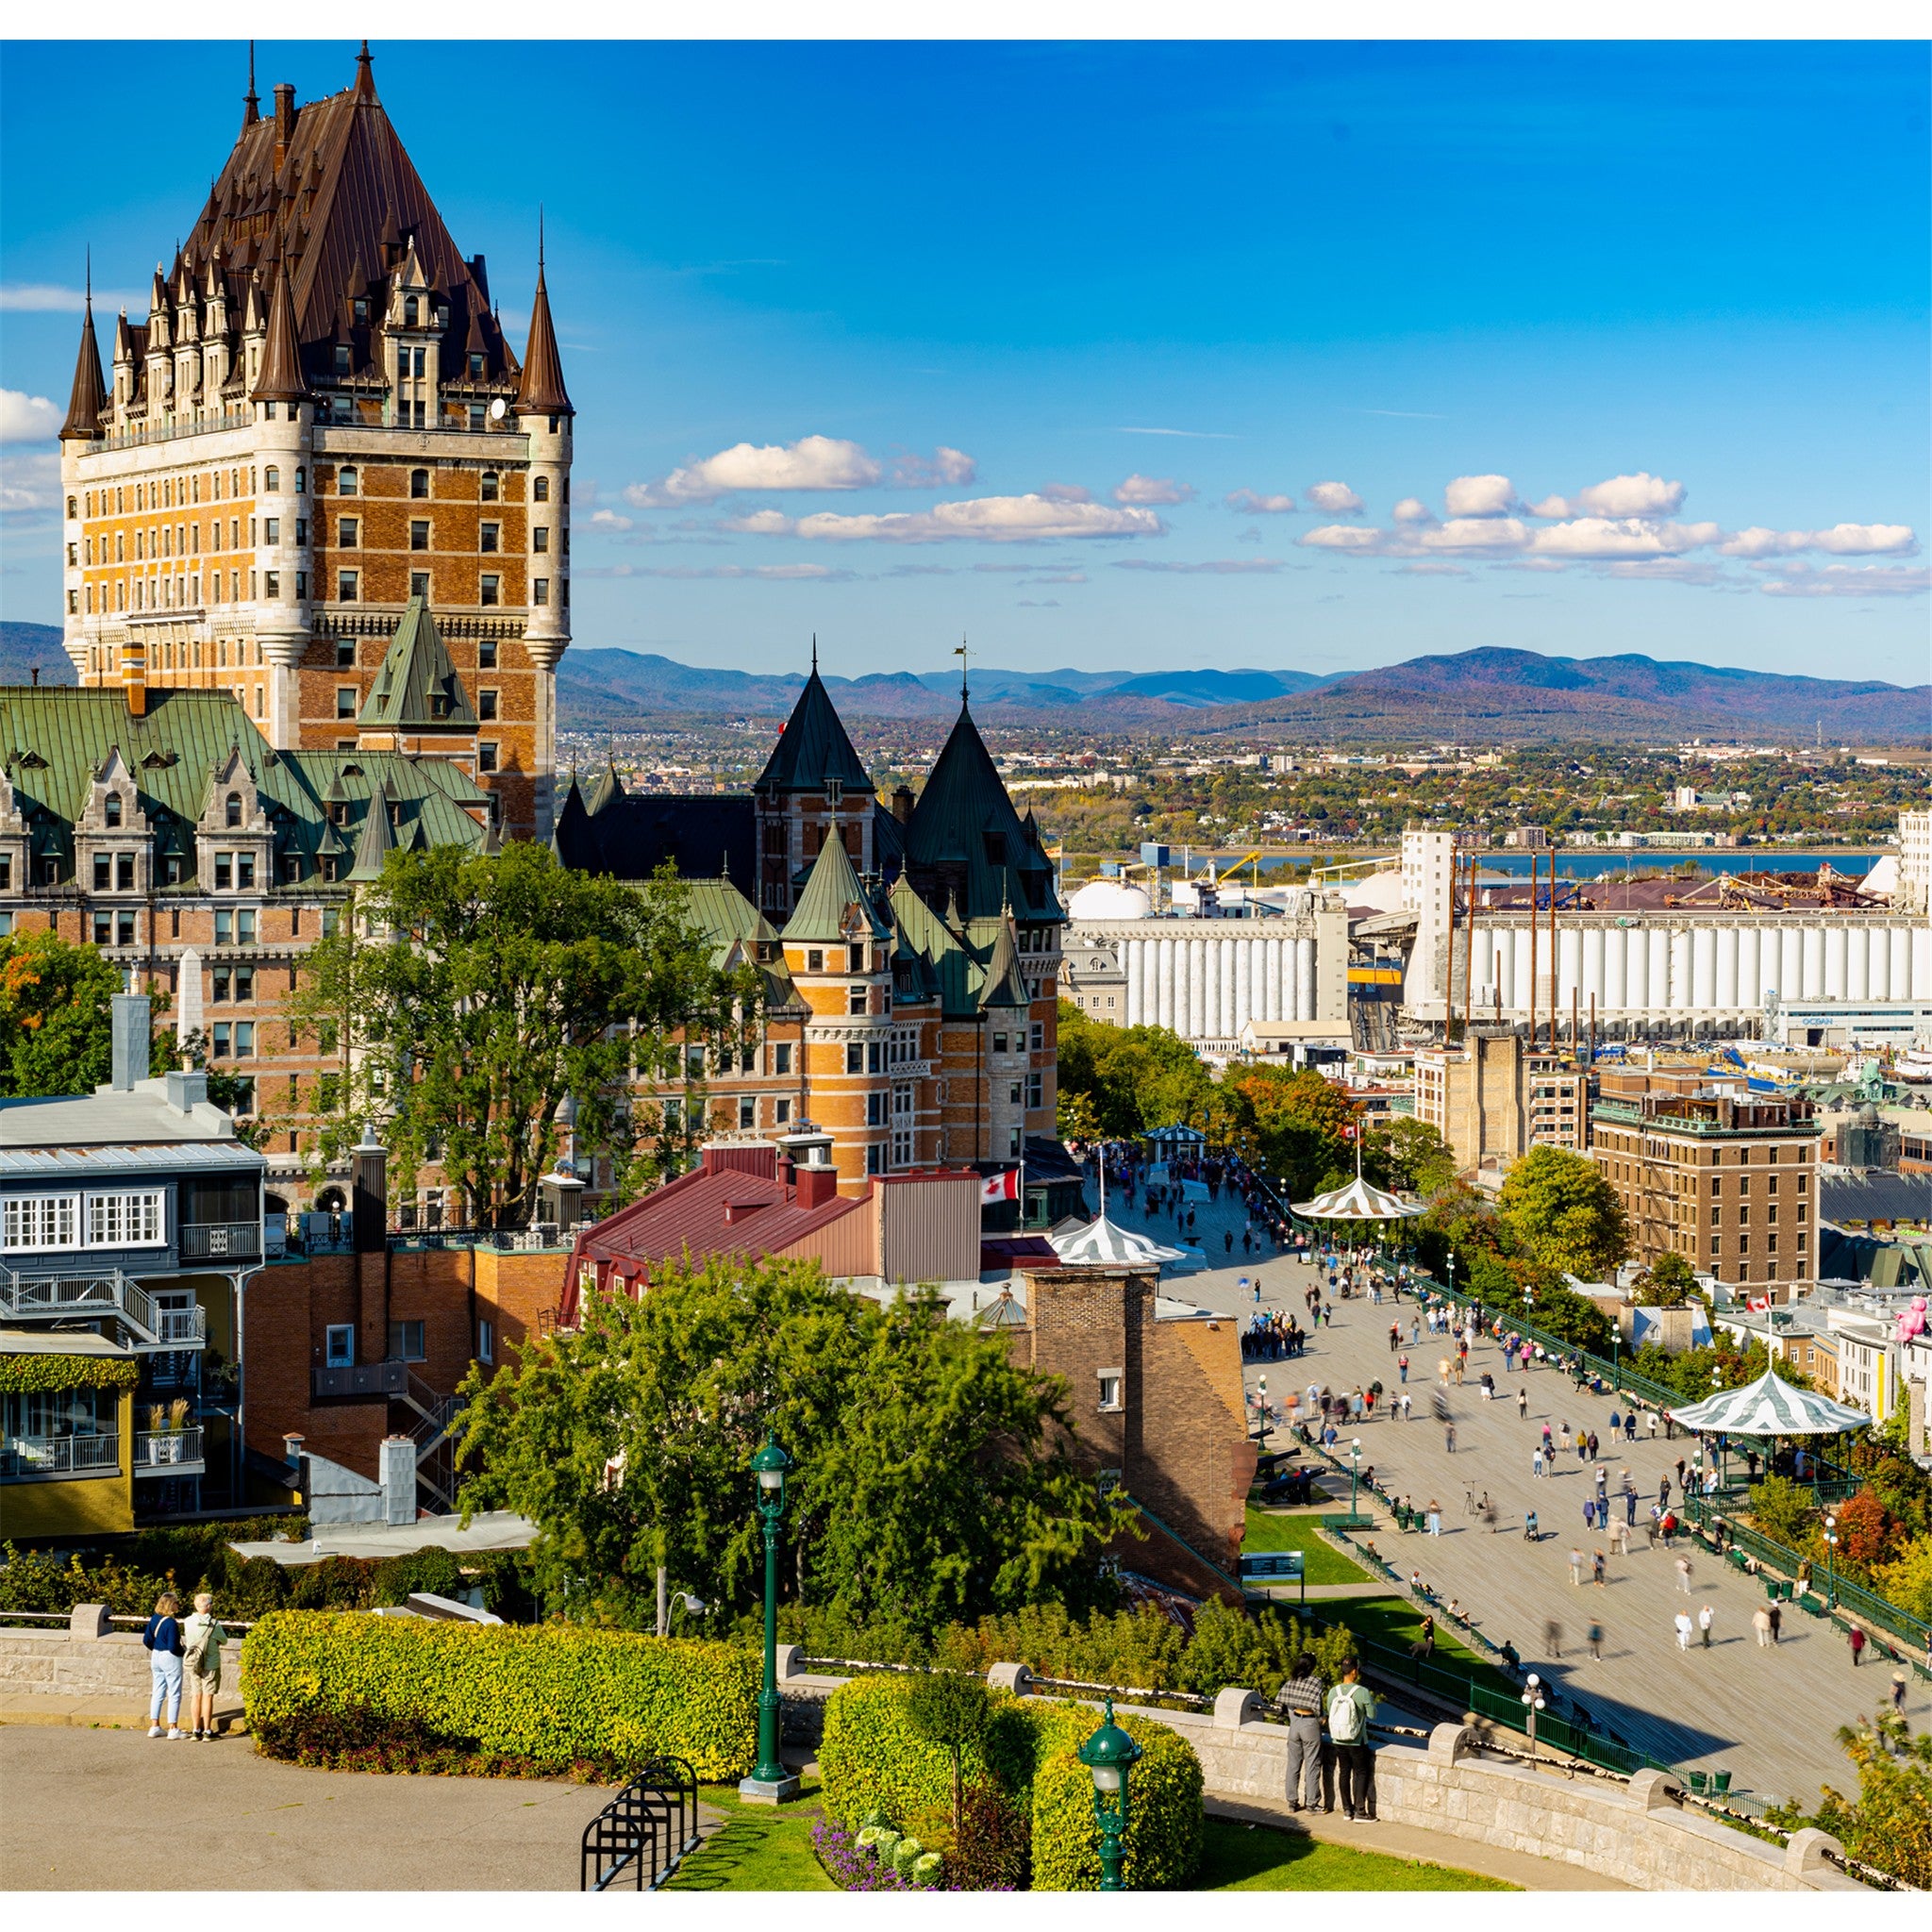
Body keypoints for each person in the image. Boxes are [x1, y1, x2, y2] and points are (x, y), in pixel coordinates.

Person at [1274, 1653, 1330, 1813]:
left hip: (1294, 1725)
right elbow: (1317, 1705)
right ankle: (1311, 1804)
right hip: (1309, 1724)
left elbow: (1285, 1701)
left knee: (1293, 1765)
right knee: (1312, 1765)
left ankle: (1292, 1802)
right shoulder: (1315, 1681)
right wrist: (1322, 1719)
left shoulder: (1292, 1680)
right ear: (1312, 1667)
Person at [1327, 1658, 1378, 1822]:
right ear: (1354, 1671)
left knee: (1344, 1772)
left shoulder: (1333, 1692)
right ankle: (1360, 1811)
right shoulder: (1362, 1692)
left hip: (1338, 1739)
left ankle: (1347, 1810)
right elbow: (1372, 1715)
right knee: (1361, 1772)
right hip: (1357, 1740)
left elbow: (1330, 1712)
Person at [179, 1591, 227, 1741]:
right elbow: (224, 1640)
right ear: (208, 1606)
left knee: (196, 1696)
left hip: (194, 1662)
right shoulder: (214, 1624)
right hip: (210, 1663)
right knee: (208, 1697)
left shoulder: (188, 1621)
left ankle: (196, 1729)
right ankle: (207, 1730)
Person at [142, 1591, 187, 1740]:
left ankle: (155, 1725)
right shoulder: (170, 1622)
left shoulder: (154, 1619)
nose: (178, 1605)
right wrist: (183, 1652)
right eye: (176, 1602)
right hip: (170, 1656)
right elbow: (174, 1646)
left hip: (156, 1655)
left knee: (158, 1691)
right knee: (174, 1692)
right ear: (170, 1605)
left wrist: (156, 1648)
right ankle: (173, 1728)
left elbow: (147, 1640)